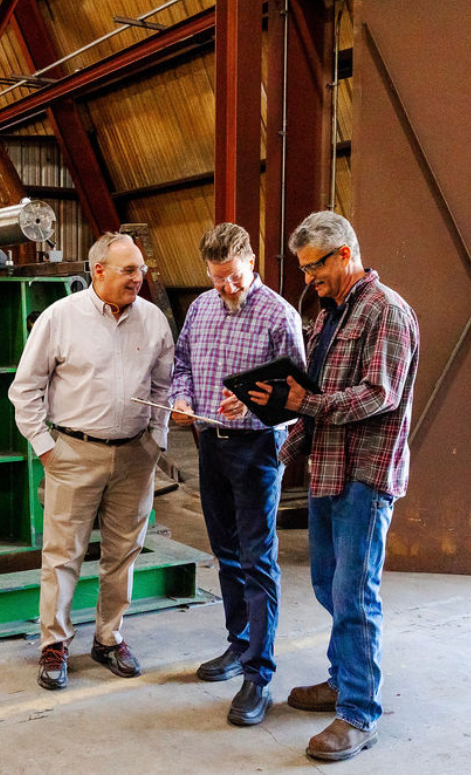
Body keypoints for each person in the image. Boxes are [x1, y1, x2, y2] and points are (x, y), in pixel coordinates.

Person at [247, 211, 419, 761]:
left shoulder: (385, 311)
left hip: (366, 476)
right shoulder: (328, 315)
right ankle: (344, 680)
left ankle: (359, 713)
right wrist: (282, 439)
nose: (308, 279)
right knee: (326, 582)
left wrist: (305, 403)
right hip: (327, 467)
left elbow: (379, 395)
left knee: (354, 594)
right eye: (303, 269)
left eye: (314, 267)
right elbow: (313, 393)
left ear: (344, 254)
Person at [8, 231, 174, 691]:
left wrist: (156, 439)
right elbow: (25, 388)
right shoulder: (61, 318)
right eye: (128, 270)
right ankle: (54, 644)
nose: (137, 278)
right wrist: (45, 446)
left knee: (124, 552)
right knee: (63, 553)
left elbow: (165, 385)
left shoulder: (153, 319)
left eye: (140, 269)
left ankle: (108, 637)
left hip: (135, 455)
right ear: (97, 271)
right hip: (73, 453)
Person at [168, 222, 305, 727]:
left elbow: (296, 395)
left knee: (257, 559)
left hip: (256, 451)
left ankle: (258, 676)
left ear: (252, 262)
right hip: (208, 445)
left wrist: (252, 400)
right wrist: (181, 398)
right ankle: (238, 644)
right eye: (217, 277)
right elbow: (181, 365)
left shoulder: (278, 316)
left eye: (234, 277)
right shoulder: (201, 308)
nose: (226, 287)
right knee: (225, 553)